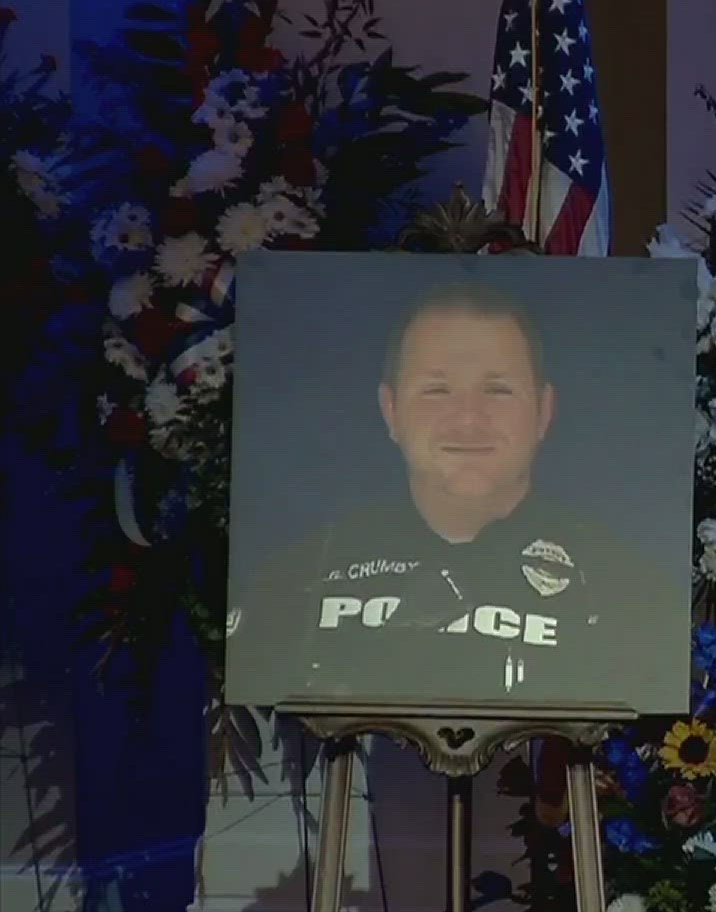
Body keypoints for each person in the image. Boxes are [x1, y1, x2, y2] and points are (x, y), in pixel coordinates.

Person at [224, 282, 654, 706]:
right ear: (391, 411)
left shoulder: (624, 592)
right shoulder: (298, 579)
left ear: (543, 411)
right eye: (436, 390)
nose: (468, 420)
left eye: (497, 390)